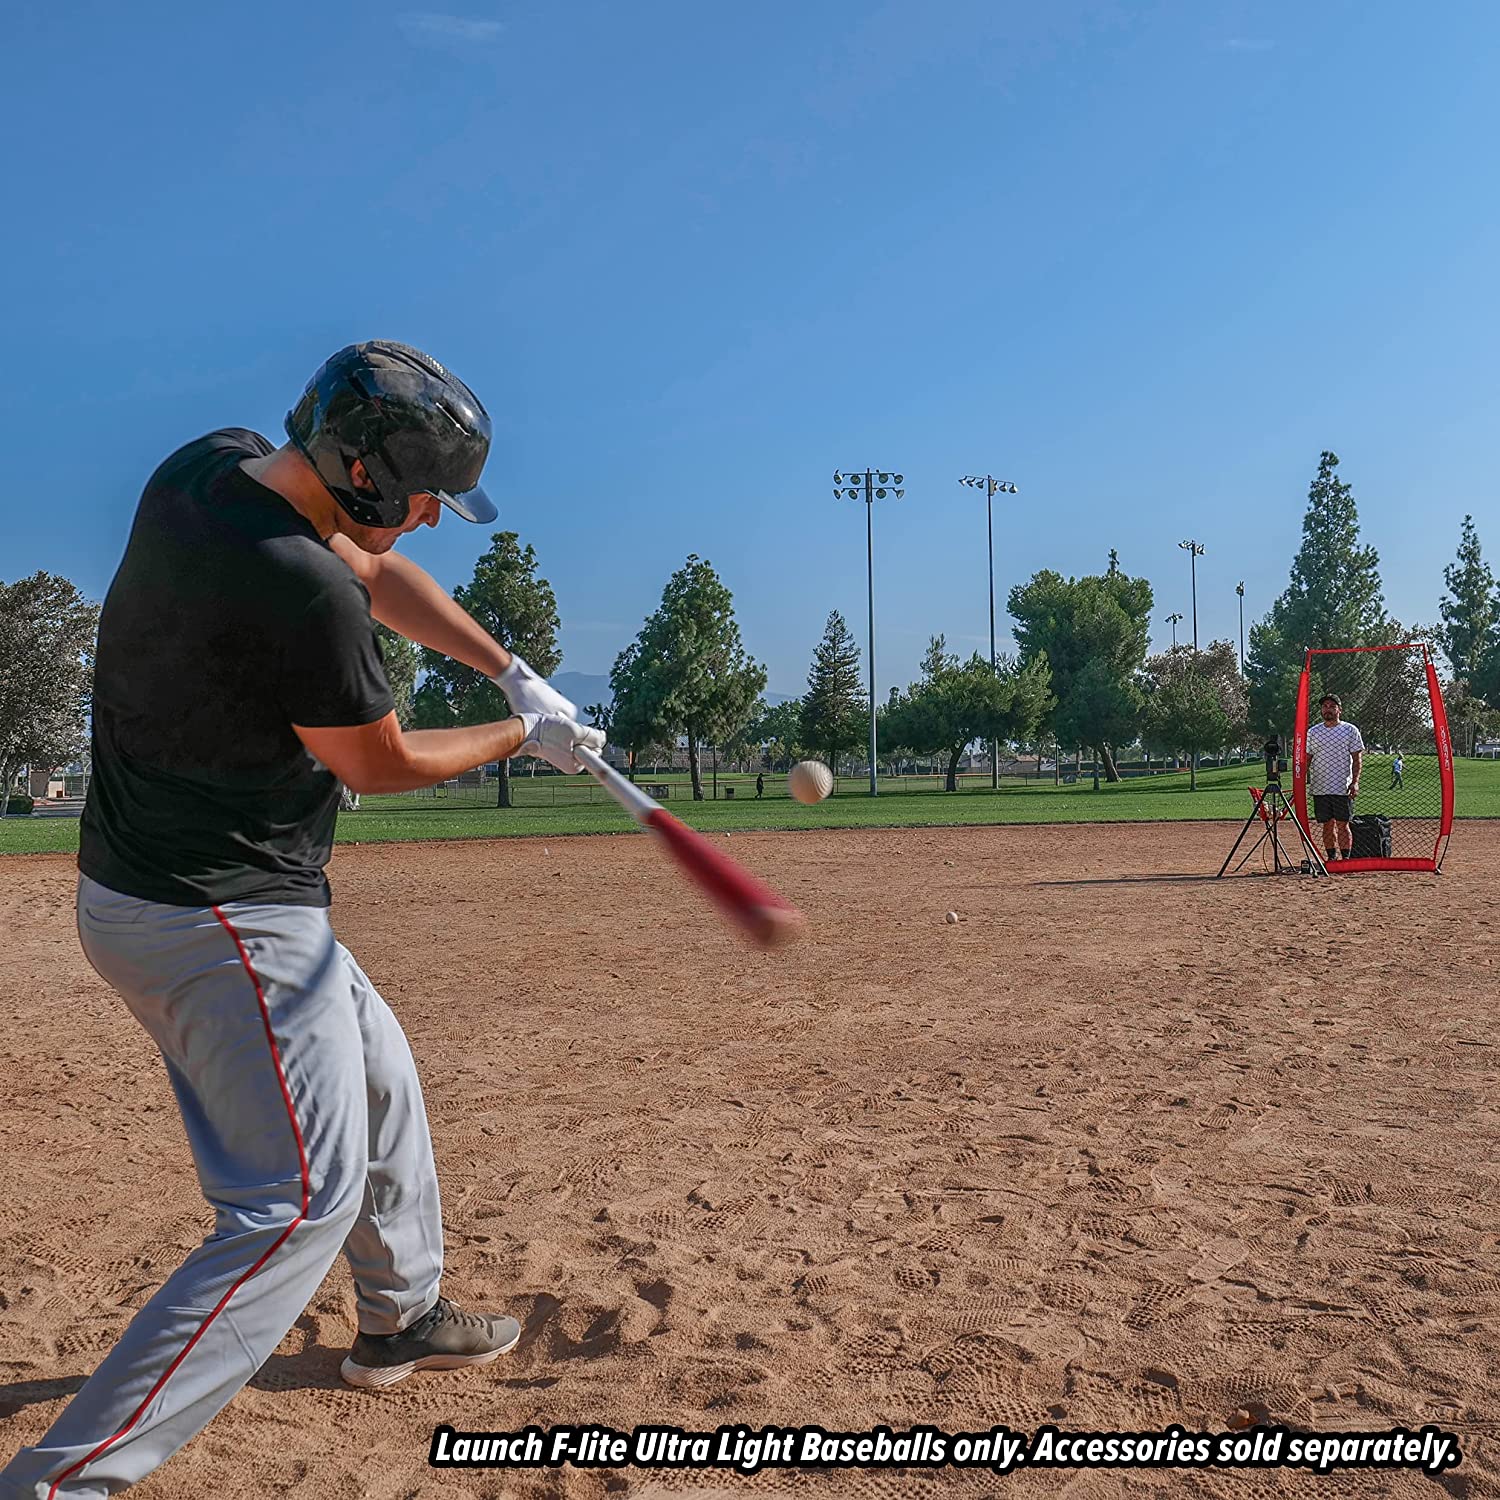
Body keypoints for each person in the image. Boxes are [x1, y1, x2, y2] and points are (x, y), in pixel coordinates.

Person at [0, 341, 604, 1499]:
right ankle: (60, 1484)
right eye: (423, 493)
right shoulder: (301, 591)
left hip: (166, 886)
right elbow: (374, 764)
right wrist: (526, 738)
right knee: (290, 1209)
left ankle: (401, 1315)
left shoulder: (210, 469)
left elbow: (374, 572)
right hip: (222, 916)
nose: (432, 518)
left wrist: (508, 667)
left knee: (381, 1071)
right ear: (369, 475)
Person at [1305, 692, 1364, 862]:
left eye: (1332, 706)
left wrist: (1355, 782)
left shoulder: (1349, 730)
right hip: (1320, 787)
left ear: (1339, 710)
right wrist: (1301, 780)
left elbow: (1357, 758)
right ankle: (1331, 858)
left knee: (1343, 824)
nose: (1328, 709)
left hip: (1342, 786)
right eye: (1325, 706)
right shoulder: (1313, 732)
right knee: (1327, 824)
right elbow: (1307, 759)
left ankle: (1346, 859)